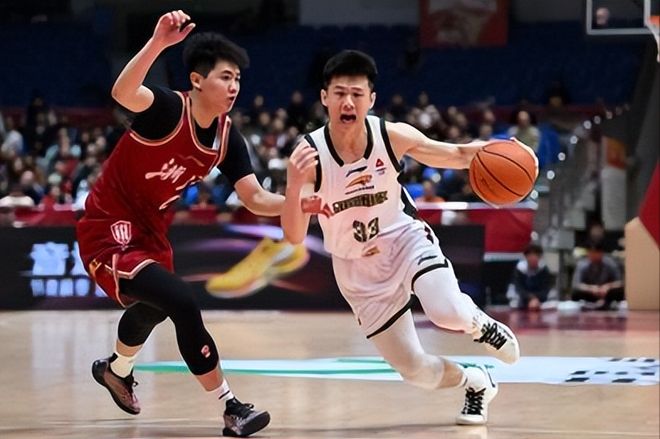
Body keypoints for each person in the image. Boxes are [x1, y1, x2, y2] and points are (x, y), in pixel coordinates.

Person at [281, 50, 522, 426]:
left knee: (448, 312)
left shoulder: (391, 136)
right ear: (325, 97)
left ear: (371, 99)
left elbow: (457, 154)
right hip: (356, 268)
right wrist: (295, 184)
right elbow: (294, 236)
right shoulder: (308, 156)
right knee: (415, 371)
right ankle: (476, 381)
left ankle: (480, 325)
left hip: (404, 240)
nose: (348, 102)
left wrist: (501, 152)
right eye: (340, 93)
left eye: (357, 94)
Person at [76, 11, 279, 437]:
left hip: (152, 232)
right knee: (182, 301)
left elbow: (255, 197)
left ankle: (116, 370)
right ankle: (231, 408)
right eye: (226, 77)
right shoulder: (168, 109)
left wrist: (306, 203)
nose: (234, 87)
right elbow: (123, 92)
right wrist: (158, 43)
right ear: (197, 80)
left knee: (154, 308)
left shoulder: (227, 138)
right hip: (110, 225)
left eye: (238, 79)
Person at [571, 241, 625, 310]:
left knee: (619, 292)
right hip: (590, 294)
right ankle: (587, 305)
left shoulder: (610, 263)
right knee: (576, 293)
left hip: (607, 294)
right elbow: (576, 284)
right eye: (590, 252)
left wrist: (608, 286)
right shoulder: (582, 264)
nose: (592, 255)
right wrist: (590, 288)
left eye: (595, 252)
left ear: (601, 253)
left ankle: (607, 304)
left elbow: (620, 282)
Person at [507, 243, 555, 311]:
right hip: (522, 299)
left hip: (540, 300)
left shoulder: (543, 269)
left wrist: (536, 299)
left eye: (536, 256)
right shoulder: (520, 269)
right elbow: (519, 288)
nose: (533, 258)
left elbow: (546, 288)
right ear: (526, 257)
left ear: (540, 257)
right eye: (530, 256)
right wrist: (530, 298)